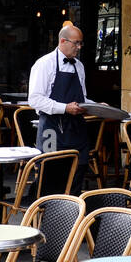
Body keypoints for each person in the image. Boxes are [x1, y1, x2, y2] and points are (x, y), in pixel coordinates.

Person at [28, 25, 95, 191]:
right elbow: (35, 99)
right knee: (50, 174)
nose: (79, 47)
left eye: (81, 44)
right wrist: (65, 108)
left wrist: (97, 106)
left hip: (76, 128)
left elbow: (82, 99)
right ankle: (46, 214)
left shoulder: (79, 66)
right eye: (76, 43)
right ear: (63, 41)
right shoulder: (44, 64)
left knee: (78, 171)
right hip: (51, 128)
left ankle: (72, 213)